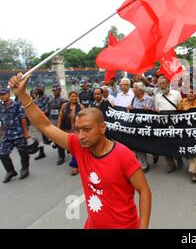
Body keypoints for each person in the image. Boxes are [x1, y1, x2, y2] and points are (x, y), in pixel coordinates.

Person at [9, 73, 152, 229]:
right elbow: (45, 126)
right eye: (78, 130)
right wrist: (22, 96)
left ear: (102, 128)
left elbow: (144, 191)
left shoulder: (123, 155)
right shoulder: (79, 145)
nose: (81, 136)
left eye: (87, 129)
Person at [0, 88, 31, 182]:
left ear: (9, 94)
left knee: (23, 152)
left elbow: (23, 119)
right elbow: (2, 121)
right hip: (7, 135)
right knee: (2, 153)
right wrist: (1, 133)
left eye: (3, 94)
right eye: (0, 95)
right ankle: (10, 171)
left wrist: (26, 133)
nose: (2, 96)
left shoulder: (16, 105)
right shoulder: (1, 107)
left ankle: (25, 169)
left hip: (18, 133)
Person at [177, 86, 196, 183]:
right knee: (190, 150)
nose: (190, 94)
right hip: (185, 130)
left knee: (193, 150)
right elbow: (176, 115)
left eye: (193, 92)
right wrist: (182, 111)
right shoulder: (181, 102)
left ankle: (194, 173)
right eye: (189, 92)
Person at [154, 76, 184, 173]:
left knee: (175, 144)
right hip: (162, 125)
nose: (162, 86)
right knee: (165, 145)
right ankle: (170, 164)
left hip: (175, 124)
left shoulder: (176, 94)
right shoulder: (157, 95)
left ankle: (179, 160)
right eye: (159, 84)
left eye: (163, 83)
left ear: (168, 84)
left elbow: (180, 108)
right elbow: (156, 109)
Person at [128, 82, 155, 173]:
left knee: (150, 144)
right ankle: (144, 164)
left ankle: (155, 153)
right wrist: (130, 109)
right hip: (137, 127)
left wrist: (150, 110)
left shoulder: (150, 100)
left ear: (140, 90)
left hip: (148, 127)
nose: (133, 90)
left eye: (134, 88)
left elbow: (156, 113)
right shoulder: (132, 99)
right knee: (138, 145)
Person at [57, 92, 85, 176]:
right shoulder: (64, 106)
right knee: (62, 143)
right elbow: (60, 116)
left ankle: (75, 166)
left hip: (76, 130)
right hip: (65, 128)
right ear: (69, 97)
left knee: (76, 147)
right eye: (73, 96)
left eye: (76, 96)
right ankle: (61, 157)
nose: (75, 98)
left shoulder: (81, 107)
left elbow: (84, 118)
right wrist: (58, 128)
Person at [48, 84, 68, 165]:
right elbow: (50, 112)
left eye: (56, 90)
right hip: (53, 122)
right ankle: (61, 156)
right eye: (53, 90)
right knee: (58, 140)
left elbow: (66, 113)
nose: (54, 92)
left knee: (65, 139)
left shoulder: (63, 101)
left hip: (62, 123)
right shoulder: (50, 101)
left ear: (59, 91)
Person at [33, 84, 51, 160]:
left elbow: (47, 110)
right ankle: (41, 152)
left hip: (46, 119)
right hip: (38, 120)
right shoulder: (36, 99)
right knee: (38, 137)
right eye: (37, 89)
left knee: (52, 135)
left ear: (43, 89)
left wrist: (39, 114)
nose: (38, 90)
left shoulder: (47, 98)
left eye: (40, 89)